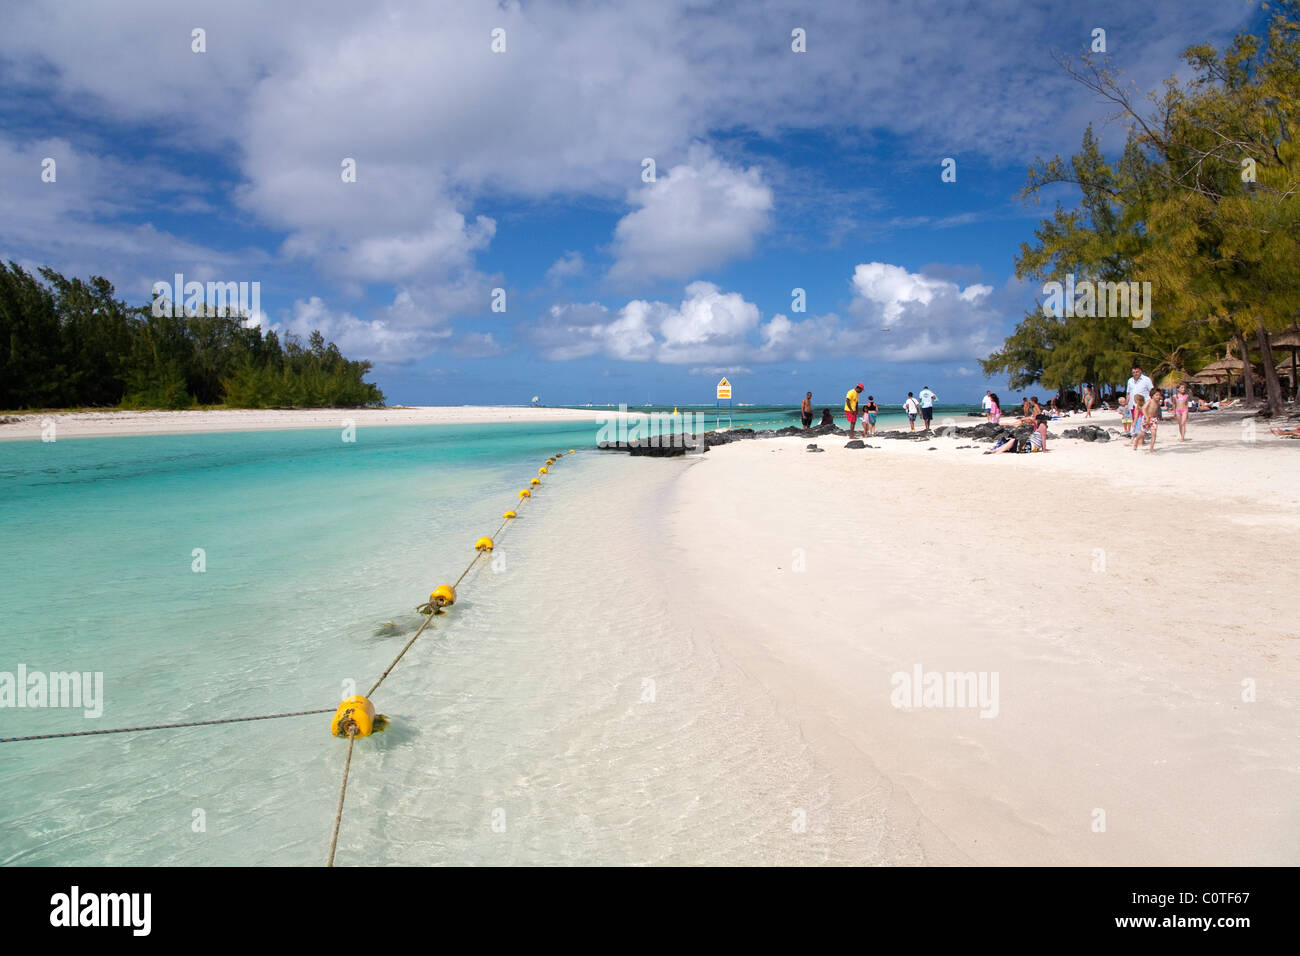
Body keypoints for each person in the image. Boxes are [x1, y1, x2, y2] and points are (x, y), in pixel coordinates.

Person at [1125, 365, 1153, 437]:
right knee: (1135, 420)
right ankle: (1136, 436)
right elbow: (1128, 393)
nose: (1135, 373)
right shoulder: (1130, 380)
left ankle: (1140, 438)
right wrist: (1126, 404)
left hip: (1143, 404)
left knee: (1140, 421)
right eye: (1133, 372)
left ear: (1140, 371)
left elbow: (1152, 391)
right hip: (1132, 404)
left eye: (1137, 372)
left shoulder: (1146, 380)